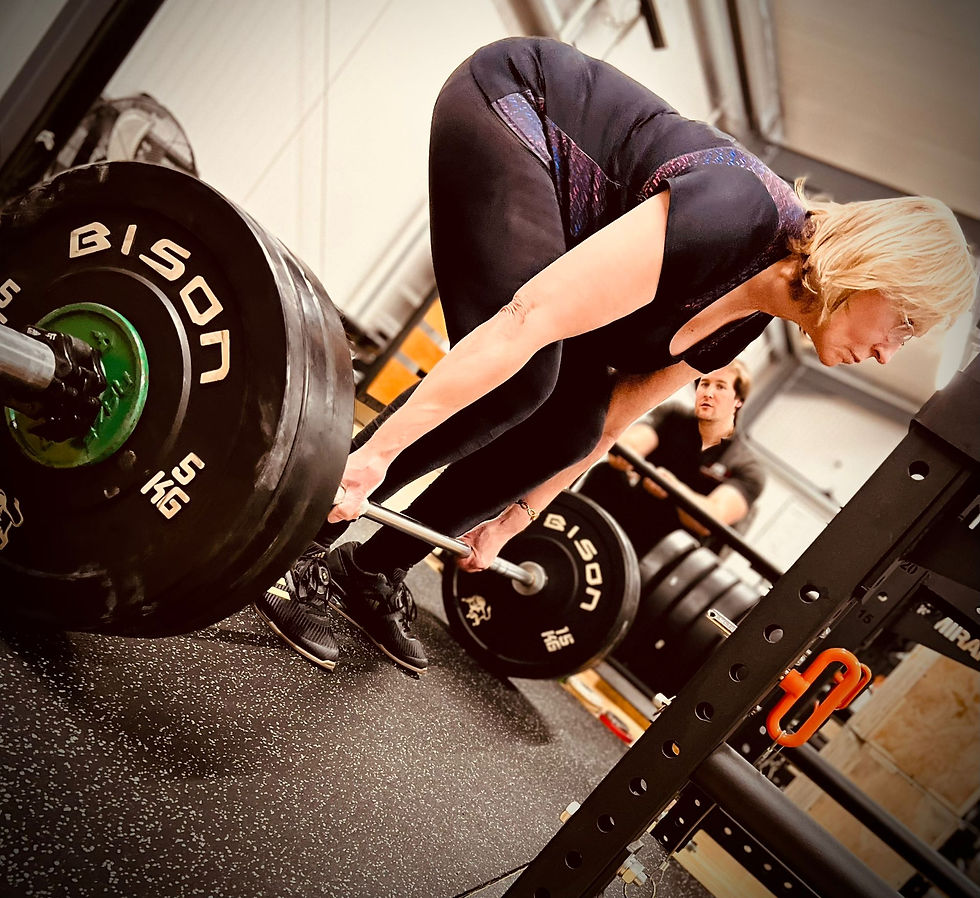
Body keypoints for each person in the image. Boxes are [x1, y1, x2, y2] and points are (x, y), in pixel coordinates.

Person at [254, 36, 977, 675]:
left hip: (570, 215)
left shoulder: (744, 323)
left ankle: (370, 567)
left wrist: (519, 516)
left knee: (566, 421)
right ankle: (301, 532)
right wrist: (375, 458)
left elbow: (605, 426)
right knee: (523, 377)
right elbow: (529, 318)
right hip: (517, 110)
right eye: (905, 324)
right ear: (876, 270)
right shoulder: (739, 214)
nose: (890, 354)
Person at [578, 360, 764, 560]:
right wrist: (627, 456)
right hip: (632, 509)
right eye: (704, 384)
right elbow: (631, 444)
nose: (708, 393)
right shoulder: (674, 415)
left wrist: (671, 488)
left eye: (720, 387)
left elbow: (712, 517)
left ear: (738, 401)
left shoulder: (747, 467)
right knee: (606, 473)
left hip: (671, 544)